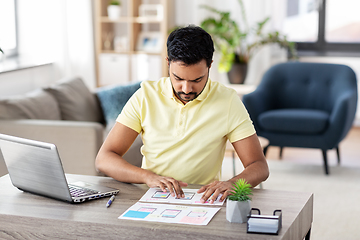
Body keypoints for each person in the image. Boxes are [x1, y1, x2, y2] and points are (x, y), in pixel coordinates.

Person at [95, 25, 269, 204]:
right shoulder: (145, 96)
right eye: (178, 78)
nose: (186, 89)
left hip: (201, 201)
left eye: (197, 80)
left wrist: (232, 183)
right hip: (150, 198)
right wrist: (148, 177)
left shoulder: (228, 101)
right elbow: (105, 158)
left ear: (209, 65)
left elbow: (259, 166)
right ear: (168, 62)